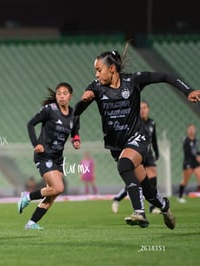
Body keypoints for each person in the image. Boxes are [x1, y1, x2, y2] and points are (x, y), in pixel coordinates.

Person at [74, 43, 200, 229]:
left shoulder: (134, 81)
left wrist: (188, 90)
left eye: (99, 70)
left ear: (111, 69)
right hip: (116, 146)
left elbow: (165, 76)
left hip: (137, 138)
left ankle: (139, 212)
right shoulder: (96, 87)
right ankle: (164, 205)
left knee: (124, 165)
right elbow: (77, 111)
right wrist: (79, 116)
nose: (96, 74)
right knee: (148, 190)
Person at [17, 82, 81, 230]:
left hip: (58, 158)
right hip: (44, 155)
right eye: (59, 93)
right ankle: (27, 197)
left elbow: (75, 132)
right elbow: (30, 124)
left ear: (70, 96)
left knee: (53, 194)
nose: (61, 96)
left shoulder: (74, 115)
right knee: (58, 187)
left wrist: (76, 141)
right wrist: (35, 144)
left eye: (65, 93)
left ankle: (31, 223)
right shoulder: (49, 110)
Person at [111, 100, 161, 214]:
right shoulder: (135, 123)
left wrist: (156, 152)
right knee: (137, 181)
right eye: (140, 108)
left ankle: (153, 206)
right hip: (136, 153)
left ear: (148, 109)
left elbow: (154, 139)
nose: (142, 110)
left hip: (148, 154)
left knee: (152, 177)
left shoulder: (152, 123)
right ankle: (117, 198)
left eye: (144, 107)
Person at [177, 123, 200, 203]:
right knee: (185, 181)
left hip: (196, 163)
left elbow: (196, 151)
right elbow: (190, 152)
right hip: (188, 162)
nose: (191, 130)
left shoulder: (196, 140)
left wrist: (198, 155)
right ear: (187, 130)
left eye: (193, 129)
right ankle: (180, 196)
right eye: (190, 129)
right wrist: (197, 157)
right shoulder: (186, 140)